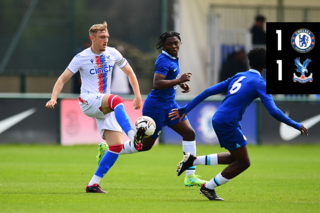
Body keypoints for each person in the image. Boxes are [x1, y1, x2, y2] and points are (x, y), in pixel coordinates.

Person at [169, 47, 308, 201]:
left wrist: (185, 109)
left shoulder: (239, 75)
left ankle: (193, 161)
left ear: (249, 62)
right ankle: (208, 187)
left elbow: (208, 91)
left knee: (235, 158)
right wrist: (296, 124)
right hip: (228, 122)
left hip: (219, 119)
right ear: (267, 66)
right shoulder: (260, 83)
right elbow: (274, 111)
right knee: (244, 162)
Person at [45, 21, 146, 193]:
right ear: (92, 38)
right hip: (88, 101)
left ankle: (93, 184)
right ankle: (133, 134)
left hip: (103, 103)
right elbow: (62, 79)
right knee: (117, 100)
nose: (105, 40)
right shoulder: (81, 57)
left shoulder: (113, 53)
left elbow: (130, 72)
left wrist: (137, 95)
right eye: (101, 37)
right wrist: (53, 98)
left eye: (107, 36)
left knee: (116, 148)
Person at [97, 31, 207, 187]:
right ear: (163, 45)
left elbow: (168, 78)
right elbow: (157, 83)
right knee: (145, 146)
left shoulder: (173, 57)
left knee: (189, 133)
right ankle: (110, 149)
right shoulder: (163, 60)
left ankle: (190, 176)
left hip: (170, 106)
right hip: (156, 108)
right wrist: (179, 80)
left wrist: (178, 83)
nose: (174, 46)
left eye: (176, 43)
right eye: (170, 44)